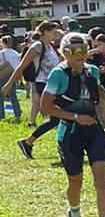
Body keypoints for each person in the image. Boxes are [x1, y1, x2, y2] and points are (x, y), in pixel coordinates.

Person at [40, 32, 105, 217]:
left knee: (101, 180)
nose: (81, 55)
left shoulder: (92, 70)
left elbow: (97, 90)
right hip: (70, 133)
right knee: (75, 181)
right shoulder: (59, 74)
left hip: (93, 132)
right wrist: (76, 117)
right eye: (76, 51)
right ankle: (74, 214)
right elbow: (45, 107)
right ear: (65, 52)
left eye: (84, 50)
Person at [9, 21, 64, 158]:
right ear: (45, 32)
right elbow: (21, 66)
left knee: (56, 118)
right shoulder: (38, 46)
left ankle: (28, 142)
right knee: (60, 115)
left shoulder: (51, 47)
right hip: (44, 85)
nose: (56, 35)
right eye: (54, 32)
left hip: (54, 84)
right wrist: (9, 84)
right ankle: (64, 146)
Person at [0, 35, 21, 122]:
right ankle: (17, 114)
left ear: (3, 43)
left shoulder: (1, 53)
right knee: (13, 96)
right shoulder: (16, 53)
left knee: (0, 96)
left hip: (2, 76)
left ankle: (1, 115)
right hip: (12, 75)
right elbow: (18, 66)